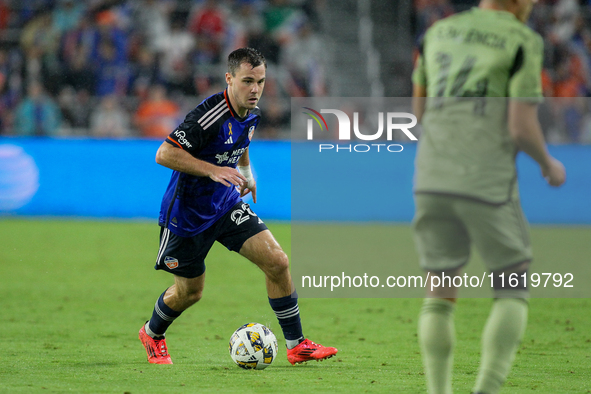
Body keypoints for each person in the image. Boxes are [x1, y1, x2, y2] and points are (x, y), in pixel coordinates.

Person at [138, 47, 337, 365]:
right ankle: (152, 333)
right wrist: (214, 170)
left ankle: (297, 345)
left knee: (277, 262)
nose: (255, 89)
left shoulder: (251, 113)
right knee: (190, 293)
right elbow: (164, 153)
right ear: (229, 78)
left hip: (225, 204)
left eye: (260, 81)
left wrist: (246, 172)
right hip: (186, 217)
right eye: (248, 81)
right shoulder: (209, 116)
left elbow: (240, 143)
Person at [411, 0, 566, 393]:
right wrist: (548, 163)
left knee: (440, 291)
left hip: (430, 175)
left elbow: (419, 113)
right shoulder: (521, 40)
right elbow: (521, 126)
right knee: (512, 284)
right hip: (485, 177)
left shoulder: (437, 33)